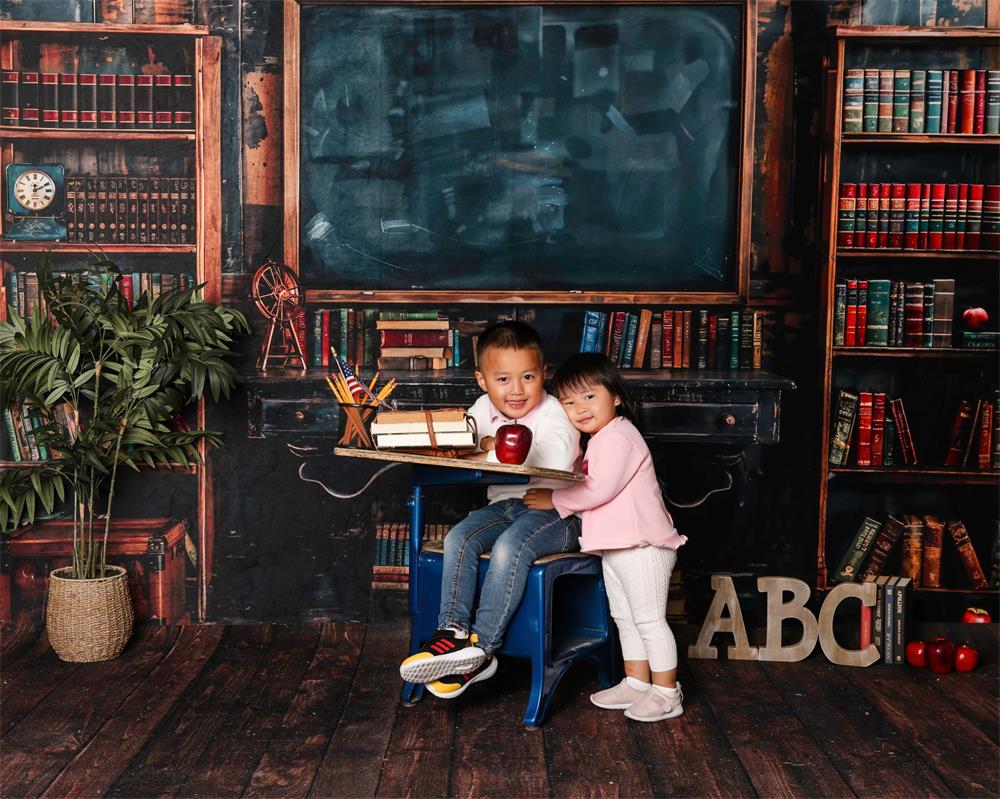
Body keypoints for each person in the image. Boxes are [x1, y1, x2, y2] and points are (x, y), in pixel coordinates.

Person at [398, 321, 581, 698]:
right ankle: (452, 634)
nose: (516, 390)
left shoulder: (555, 412)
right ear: (483, 381)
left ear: (544, 374)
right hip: (505, 505)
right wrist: (476, 446)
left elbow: (556, 460)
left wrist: (484, 448)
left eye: (528, 376)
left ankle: (482, 650)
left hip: (559, 512)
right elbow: (456, 444)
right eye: (503, 379)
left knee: (509, 547)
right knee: (459, 537)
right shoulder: (482, 407)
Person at [523, 352, 687, 722]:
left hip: (644, 546)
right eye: (568, 401)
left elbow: (600, 490)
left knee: (648, 620)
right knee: (625, 618)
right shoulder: (602, 438)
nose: (579, 408)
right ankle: (637, 682)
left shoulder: (619, 437)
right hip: (618, 547)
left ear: (614, 395)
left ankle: (666, 692)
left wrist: (554, 498)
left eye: (589, 397)